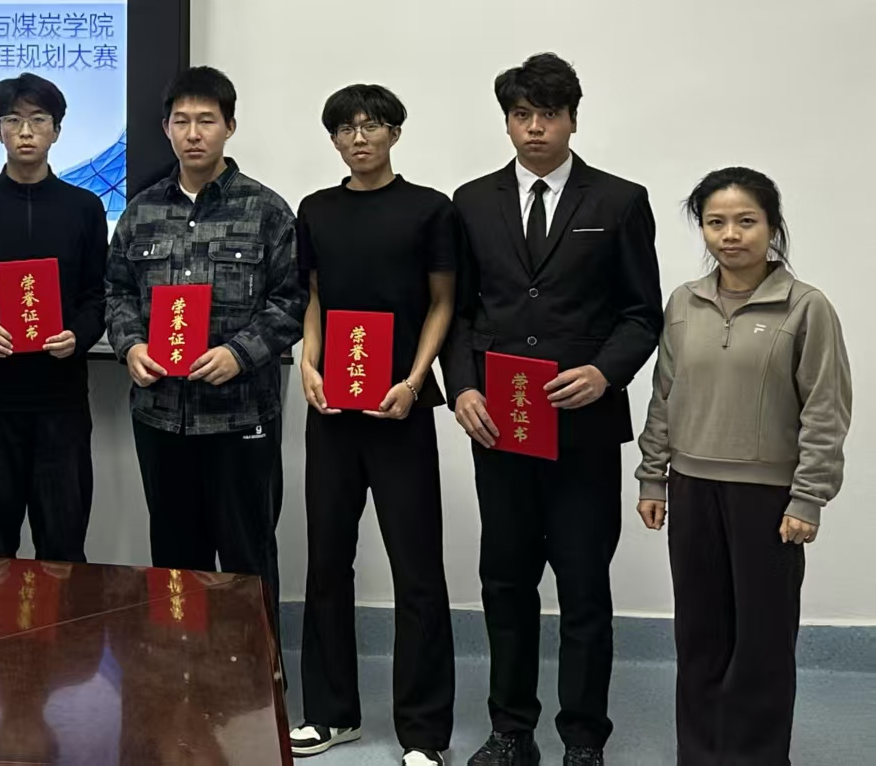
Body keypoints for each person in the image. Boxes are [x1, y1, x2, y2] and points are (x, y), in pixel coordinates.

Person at [442, 53, 662, 766]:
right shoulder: (471, 201)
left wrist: (605, 373)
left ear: (572, 119)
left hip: (584, 428)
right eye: (521, 115)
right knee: (505, 583)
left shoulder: (619, 200)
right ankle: (511, 730)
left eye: (549, 114)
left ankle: (583, 738)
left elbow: (642, 314)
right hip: (499, 423)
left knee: (583, 586)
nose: (535, 127)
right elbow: (460, 312)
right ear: (506, 122)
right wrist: (463, 386)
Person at [636, 168, 852, 766]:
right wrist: (654, 476)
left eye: (746, 221)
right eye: (716, 222)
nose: (730, 235)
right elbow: (665, 394)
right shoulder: (684, 303)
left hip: (768, 498)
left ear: (772, 227)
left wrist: (808, 496)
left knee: (762, 642)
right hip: (692, 489)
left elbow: (826, 408)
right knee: (699, 636)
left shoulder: (806, 307)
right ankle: (700, 754)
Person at [106, 65, 304, 639]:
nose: (193, 133)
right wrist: (130, 345)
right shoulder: (141, 210)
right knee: (174, 556)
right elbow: (116, 292)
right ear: (166, 128)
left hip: (240, 417)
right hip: (161, 415)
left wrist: (240, 353)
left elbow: (292, 301)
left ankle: (255, 677)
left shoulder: (266, 210)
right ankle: (178, 668)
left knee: (247, 556)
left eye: (207, 121)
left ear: (229, 127)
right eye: (182, 121)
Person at [291, 86, 456, 765]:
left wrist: (414, 381)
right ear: (333, 139)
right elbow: (315, 296)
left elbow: (443, 302)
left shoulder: (430, 209)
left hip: (398, 409)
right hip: (333, 410)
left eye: (372, 125)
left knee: (416, 568)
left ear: (394, 133)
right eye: (346, 128)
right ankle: (331, 713)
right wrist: (308, 361)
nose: (359, 138)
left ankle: (424, 732)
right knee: (327, 560)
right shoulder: (316, 209)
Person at [0, 73, 109, 561]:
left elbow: (99, 295)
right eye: (13, 120)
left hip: (59, 399)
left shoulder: (85, 208)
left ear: (56, 131)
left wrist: (78, 335)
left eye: (38, 120)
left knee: (62, 545)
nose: (25, 131)